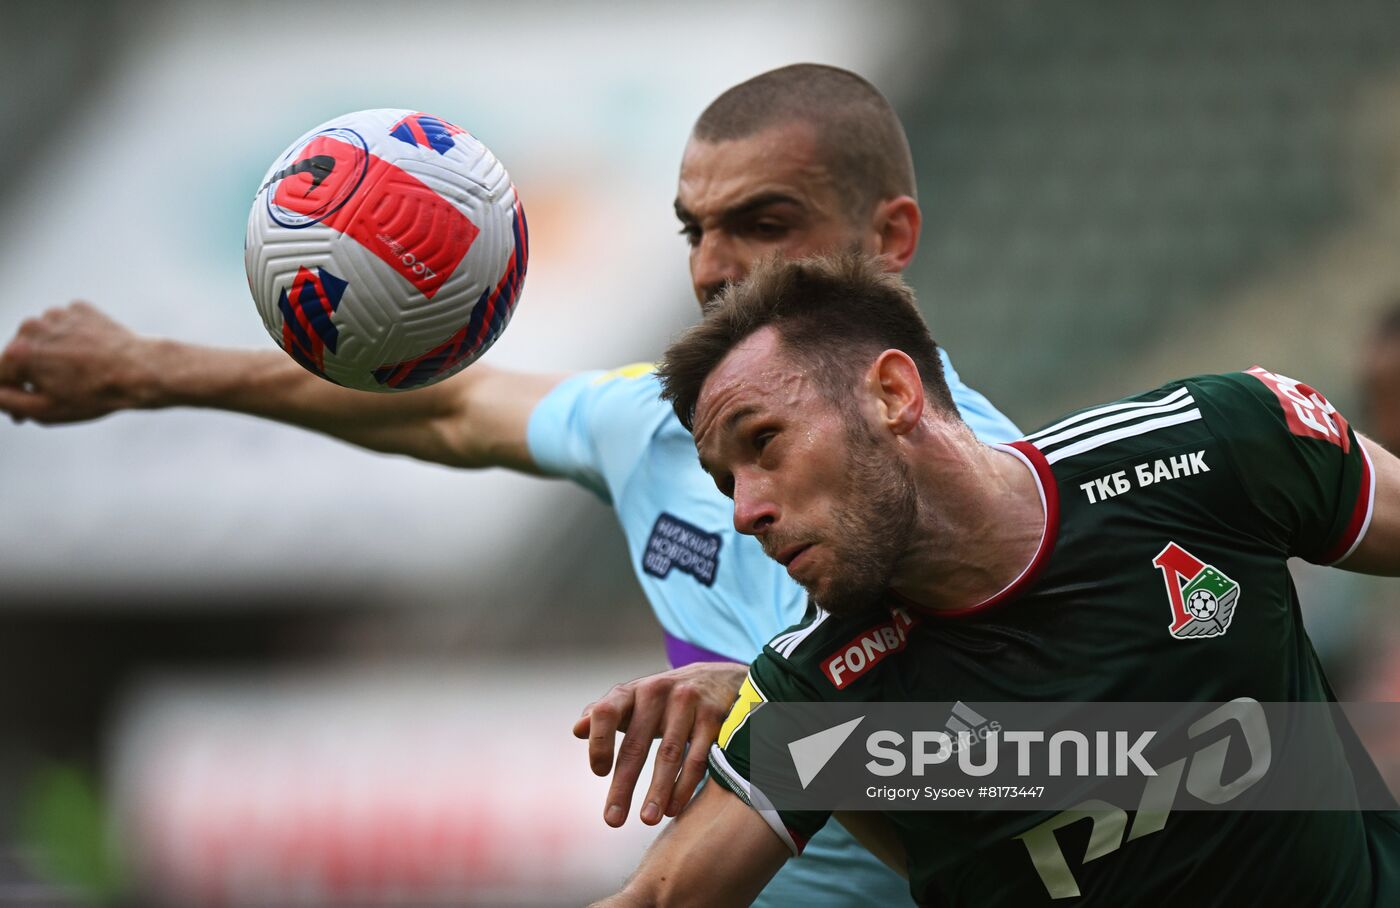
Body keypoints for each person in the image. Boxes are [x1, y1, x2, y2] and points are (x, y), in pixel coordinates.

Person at [0, 66, 1020, 906]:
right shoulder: (649, 422)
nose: (713, 269)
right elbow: (447, 409)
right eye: (692, 230)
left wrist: (777, 706)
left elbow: (1113, 762)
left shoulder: (998, 489)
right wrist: (145, 369)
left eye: (761, 221)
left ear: (888, 237)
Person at [596, 252, 1400, 906]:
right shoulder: (818, 695)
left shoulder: (1212, 448)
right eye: (724, 480)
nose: (745, 511)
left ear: (893, 393)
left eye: (763, 442)